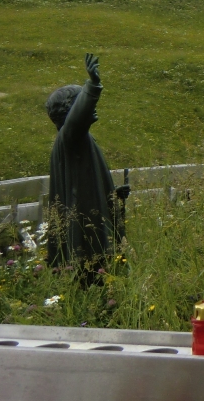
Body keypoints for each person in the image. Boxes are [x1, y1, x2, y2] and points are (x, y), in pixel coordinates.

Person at [46, 53, 128, 272]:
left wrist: (113, 194)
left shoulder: (77, 141)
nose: (89, 105)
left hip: (87, 222)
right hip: (84, 234)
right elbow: (76, 119)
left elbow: (85, 183)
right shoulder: (70, 136)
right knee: (94, 277)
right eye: (81, 101)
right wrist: (92, 85)